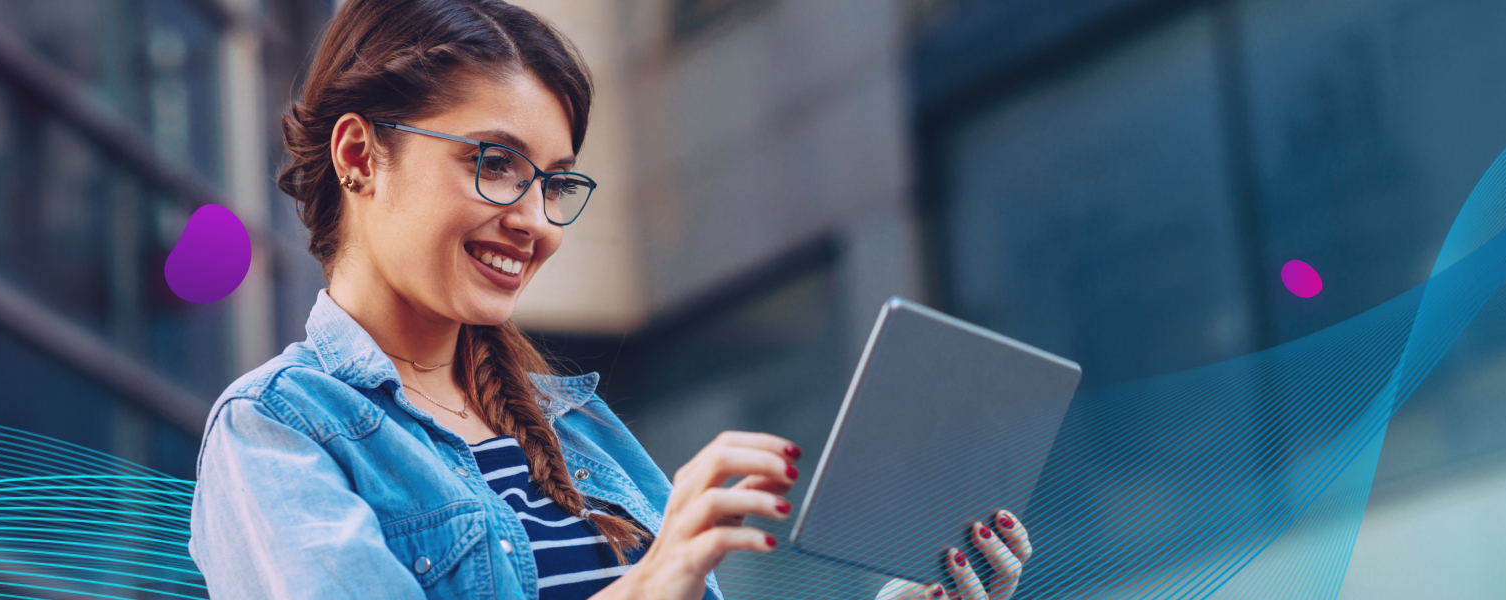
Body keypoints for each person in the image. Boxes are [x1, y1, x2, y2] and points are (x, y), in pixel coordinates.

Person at [184, 1, 1034, 598]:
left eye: (554, 182)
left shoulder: (579, 430)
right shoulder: (276, 430)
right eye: (494, 164)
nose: (534, 221)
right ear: (358, 156)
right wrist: (650, 586)